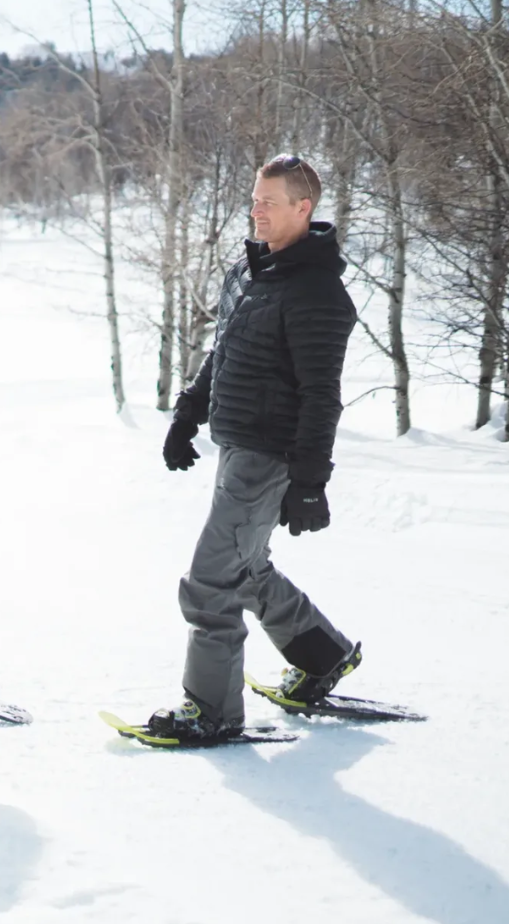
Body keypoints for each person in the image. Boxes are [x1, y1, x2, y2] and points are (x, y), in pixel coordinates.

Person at [148, 155, 360, 743]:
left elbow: (322, 396)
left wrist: (311, 482)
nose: (256, 209)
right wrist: (189, 411)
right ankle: (323, 656)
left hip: (271, 456)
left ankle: (210, 711)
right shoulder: (251, 269)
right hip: (235, 445)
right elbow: (226, 349)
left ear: (303, 208)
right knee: (246, 569)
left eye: (269, 201)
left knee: (212, 582)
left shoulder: (316, 291)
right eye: (254, 198)